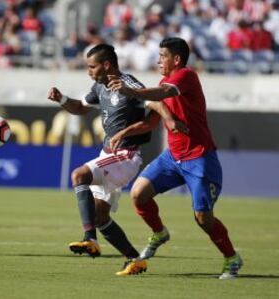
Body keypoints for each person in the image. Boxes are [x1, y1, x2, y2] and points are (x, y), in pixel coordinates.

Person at [108, 37, 243, 279]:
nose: (158, 60)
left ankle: (231, 258)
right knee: (138, 194)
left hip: (199, 157)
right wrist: (128, 130)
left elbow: (163, 93)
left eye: (162, 56)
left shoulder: (186, 76)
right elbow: (154, 112)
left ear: (176, 59)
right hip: (172, 157)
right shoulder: (163, 81)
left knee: (203, 218)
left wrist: (130, 90)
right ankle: (159, 232)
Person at [47, 44, 181, 276]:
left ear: (107, 65)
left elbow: (156, 105)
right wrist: (61, 99)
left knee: (79, 175)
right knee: (100, 217)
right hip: (108, 155)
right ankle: (134, 259)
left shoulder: (128, 83)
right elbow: (80, 107)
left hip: (125, 156)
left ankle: (90, 239)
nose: (89, 71)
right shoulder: (99, 86)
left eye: (92, 66)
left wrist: (168, 121)